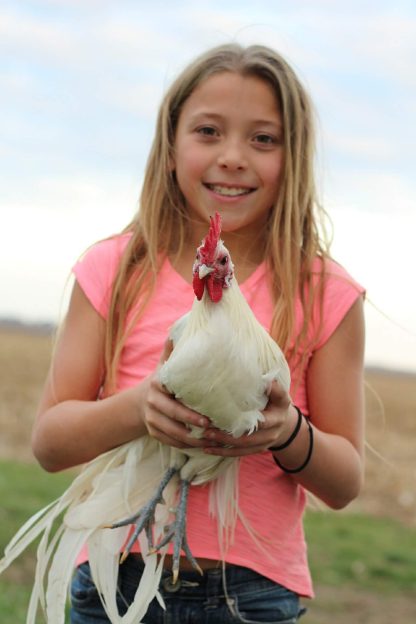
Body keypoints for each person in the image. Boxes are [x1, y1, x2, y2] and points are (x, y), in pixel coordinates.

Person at [31, 43, 365, 623]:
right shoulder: (115, 268)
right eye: (208, 131)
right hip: (115, 572)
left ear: (296, 158)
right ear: (170, 148)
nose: (233, 156)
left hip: (253, 591)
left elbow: (345, 481)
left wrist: (286, 431)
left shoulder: (325, 292)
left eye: (264, 138)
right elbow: (50, 442)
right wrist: (143, 408)